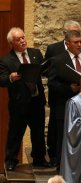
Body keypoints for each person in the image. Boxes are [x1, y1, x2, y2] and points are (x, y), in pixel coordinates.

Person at [0, 27, 48, 170]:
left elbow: (44, 69)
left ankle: (39, 159)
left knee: (38, 132)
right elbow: (1, 80)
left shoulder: (36, 53)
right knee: (15, 133)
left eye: (23, 37)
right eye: (18, 39)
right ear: (11, 44)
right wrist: (11, 77)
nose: (22, 41)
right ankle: (11, 161)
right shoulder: (6, 60)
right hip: (19, 103)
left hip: (36, 101)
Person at [47, 30, 81, 168]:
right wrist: (69, 88)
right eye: (76, 42)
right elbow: (52, 83)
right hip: (65, 104)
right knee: (64, 136)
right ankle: (63, 166)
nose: (79, 45)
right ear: (67, 44)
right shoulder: (58, 60)